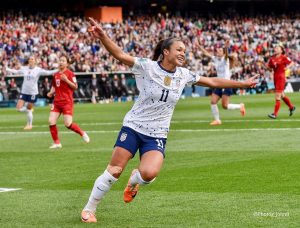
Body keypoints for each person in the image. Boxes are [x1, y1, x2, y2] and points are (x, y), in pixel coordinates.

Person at [81, 17, 257, 223]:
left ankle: (135, 181)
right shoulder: (146, 67)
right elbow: (120, 55)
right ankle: (89, 210)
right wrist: (102, 36)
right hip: (134, 126)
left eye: (184, 50)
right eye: (179, 49)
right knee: (115, 170)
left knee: (149, 173)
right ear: (166, 52)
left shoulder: (184, 74)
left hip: (157, 133)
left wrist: (242, 84)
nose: (183, 53)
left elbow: (212, 81)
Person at [198, 40, 246, 125]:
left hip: (226, 84)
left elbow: (227, 54)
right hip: (218, 84)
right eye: (217, 50)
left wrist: (226, 47)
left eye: (220, 50)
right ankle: (217, 120)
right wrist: (198, 46)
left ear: (223, 53)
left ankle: (240, 106)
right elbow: (206, 53)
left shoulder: (225, 59)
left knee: (225, 106)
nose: (217, 51)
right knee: (213, 101)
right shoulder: (215, 59)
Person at [47, 55, 90, 149]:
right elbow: (54, 86)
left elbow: (75, 87)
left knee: (68, 124)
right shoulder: (55, 74)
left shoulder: (70, 74)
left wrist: (66, 80)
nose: (61, 62)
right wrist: (51, 92)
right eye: (60, 60)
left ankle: (82, 133)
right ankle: (57, 143)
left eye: (63, 60)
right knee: (51, 121)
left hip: (67, 102)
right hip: (57, 102)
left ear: (67, 63)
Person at [5, 56, 58, 130]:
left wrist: (58, 70)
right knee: (18, 108)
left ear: (35, 61)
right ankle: (29, 111)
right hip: (24, 92)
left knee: (29, 109)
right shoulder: (24, 68)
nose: (30, 60)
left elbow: (48, 72)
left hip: (33, 93)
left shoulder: (38, 70)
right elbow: (16, 71)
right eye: (30, 59)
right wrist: (7, 69)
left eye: (32, 59)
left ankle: (29, 125)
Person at [263, 45, 296, 119]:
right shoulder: (272, 59)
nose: (276, 49)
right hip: (275, 78)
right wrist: (266, 66)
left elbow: (292, 63)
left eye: (278, 48)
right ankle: (291, 107)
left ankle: (275, 114)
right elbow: (270, 69)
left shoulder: (283, 57)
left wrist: (287, 67)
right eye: (275, 48)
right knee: (282, 95)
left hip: (281, 77)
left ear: (281, 50)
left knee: (277, 96)